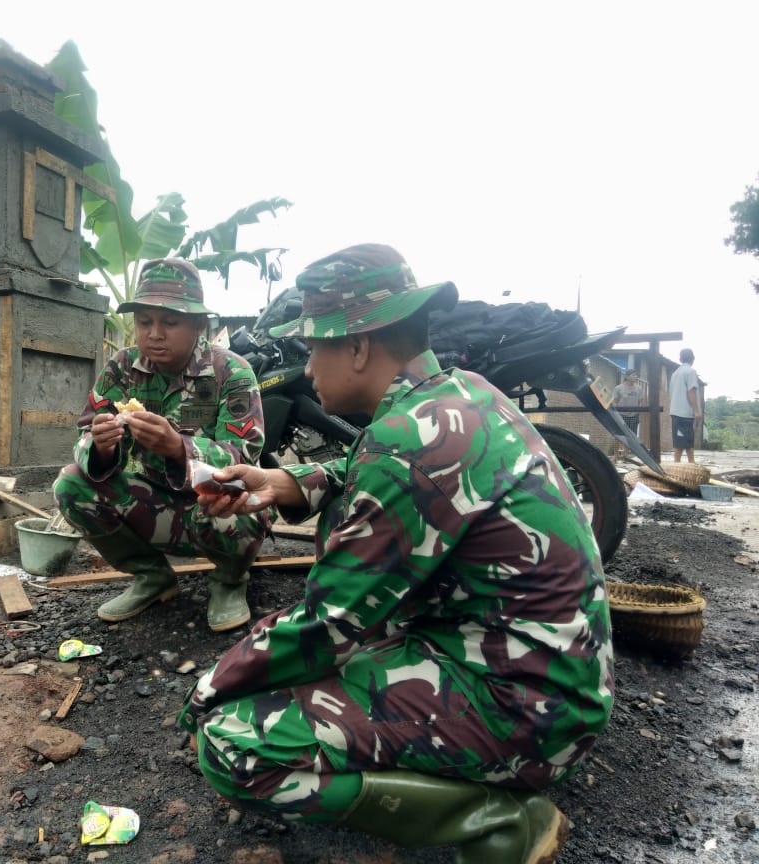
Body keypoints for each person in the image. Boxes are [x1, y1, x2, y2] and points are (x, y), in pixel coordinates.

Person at [180, 244, 614, 864]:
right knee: (323, 676)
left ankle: (498, 822)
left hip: (527, 711)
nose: (307, 368)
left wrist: (211, 686)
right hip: (552, 678)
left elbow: (327, 625)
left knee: (234, 744)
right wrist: (292, 483)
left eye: (314, 348)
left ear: (357, 347)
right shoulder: (456, 396)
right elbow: (375, 470)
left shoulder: (405, 442)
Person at [52, 258, 272, 632]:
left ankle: (230, 580)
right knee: (70, 485)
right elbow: (85, 432)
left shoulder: (230, 371)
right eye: (144, 322)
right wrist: (101, 447)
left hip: (217, 505)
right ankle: (153, 577)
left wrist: (178, 447)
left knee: (232, 501)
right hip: (154, 505)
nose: (154, 334)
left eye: (170, 322)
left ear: (199, 325)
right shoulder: (121, 369)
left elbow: (244, 458)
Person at [669, 348, 701, 463]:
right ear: (693, 358)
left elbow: (672, 392)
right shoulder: (690, 371)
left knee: (679, 444)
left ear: (680, 359)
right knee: (688, 445)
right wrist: (696, 411)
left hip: (675, 412)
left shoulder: (675, 373)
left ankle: (677, 468)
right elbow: (691, 391)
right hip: (685, 413)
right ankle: (691, 468)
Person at [611, 368, 643, 436]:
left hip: (634, 416)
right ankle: (620, 447)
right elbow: (614, 402)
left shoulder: (639, 388)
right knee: (621, 435)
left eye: (636, 375)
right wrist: (616, 415)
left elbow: (640, 402)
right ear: (627, 377)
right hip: (622, 416)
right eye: (633, 375)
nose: (636, 377)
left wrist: (638, 413)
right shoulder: (618, 388)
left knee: (633, 436)